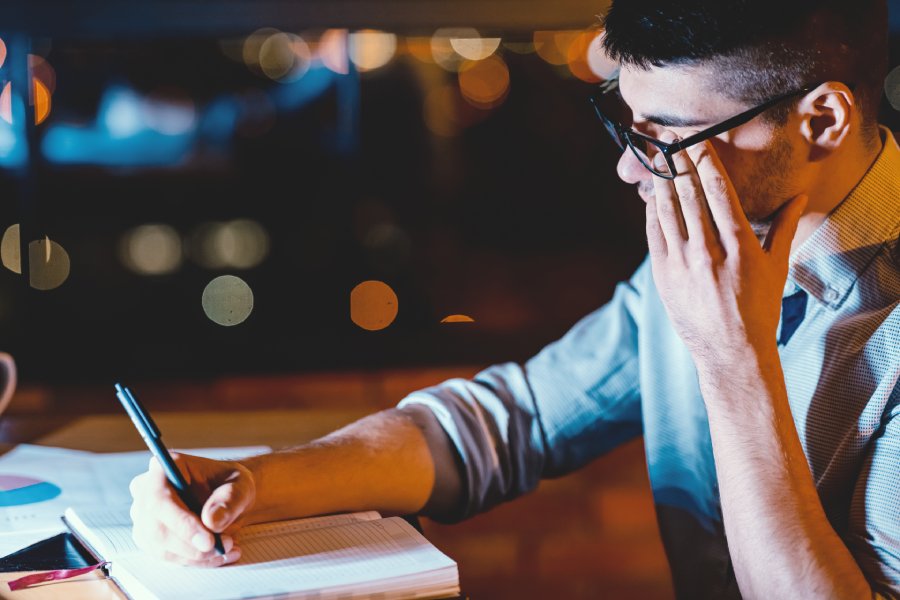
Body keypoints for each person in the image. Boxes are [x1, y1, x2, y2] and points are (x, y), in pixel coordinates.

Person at [129, 1, 899, 597]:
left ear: (822, 121)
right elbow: (511, 422)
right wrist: (251, 484)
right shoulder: (716, 251)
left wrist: (735, 363)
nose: (633, 172)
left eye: (664, 138)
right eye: (624, 125)